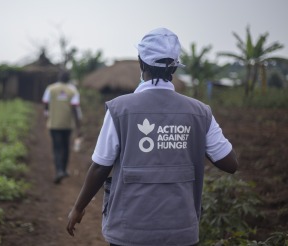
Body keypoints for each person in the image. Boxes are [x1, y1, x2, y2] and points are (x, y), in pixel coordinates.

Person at [66, 28, 238, 245]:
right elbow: (230, 163)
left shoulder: (120, 109)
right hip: (181, 231)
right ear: (174, 66)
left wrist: (78, 208)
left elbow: (100, 166)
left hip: (129, 231)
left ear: (141, 63)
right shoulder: (200, 112)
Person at [42, 70, 82, 184]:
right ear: (68, 79)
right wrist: (78, 126)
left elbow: (45, 103)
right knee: (66, 146)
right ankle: (63, 169)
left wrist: (46, 115)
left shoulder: (50, 89)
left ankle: (59, 170)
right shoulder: (73, 90)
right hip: (67, 124)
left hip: (54, 123)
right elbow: (75, 109)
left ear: (59, 77)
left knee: (57, 147)